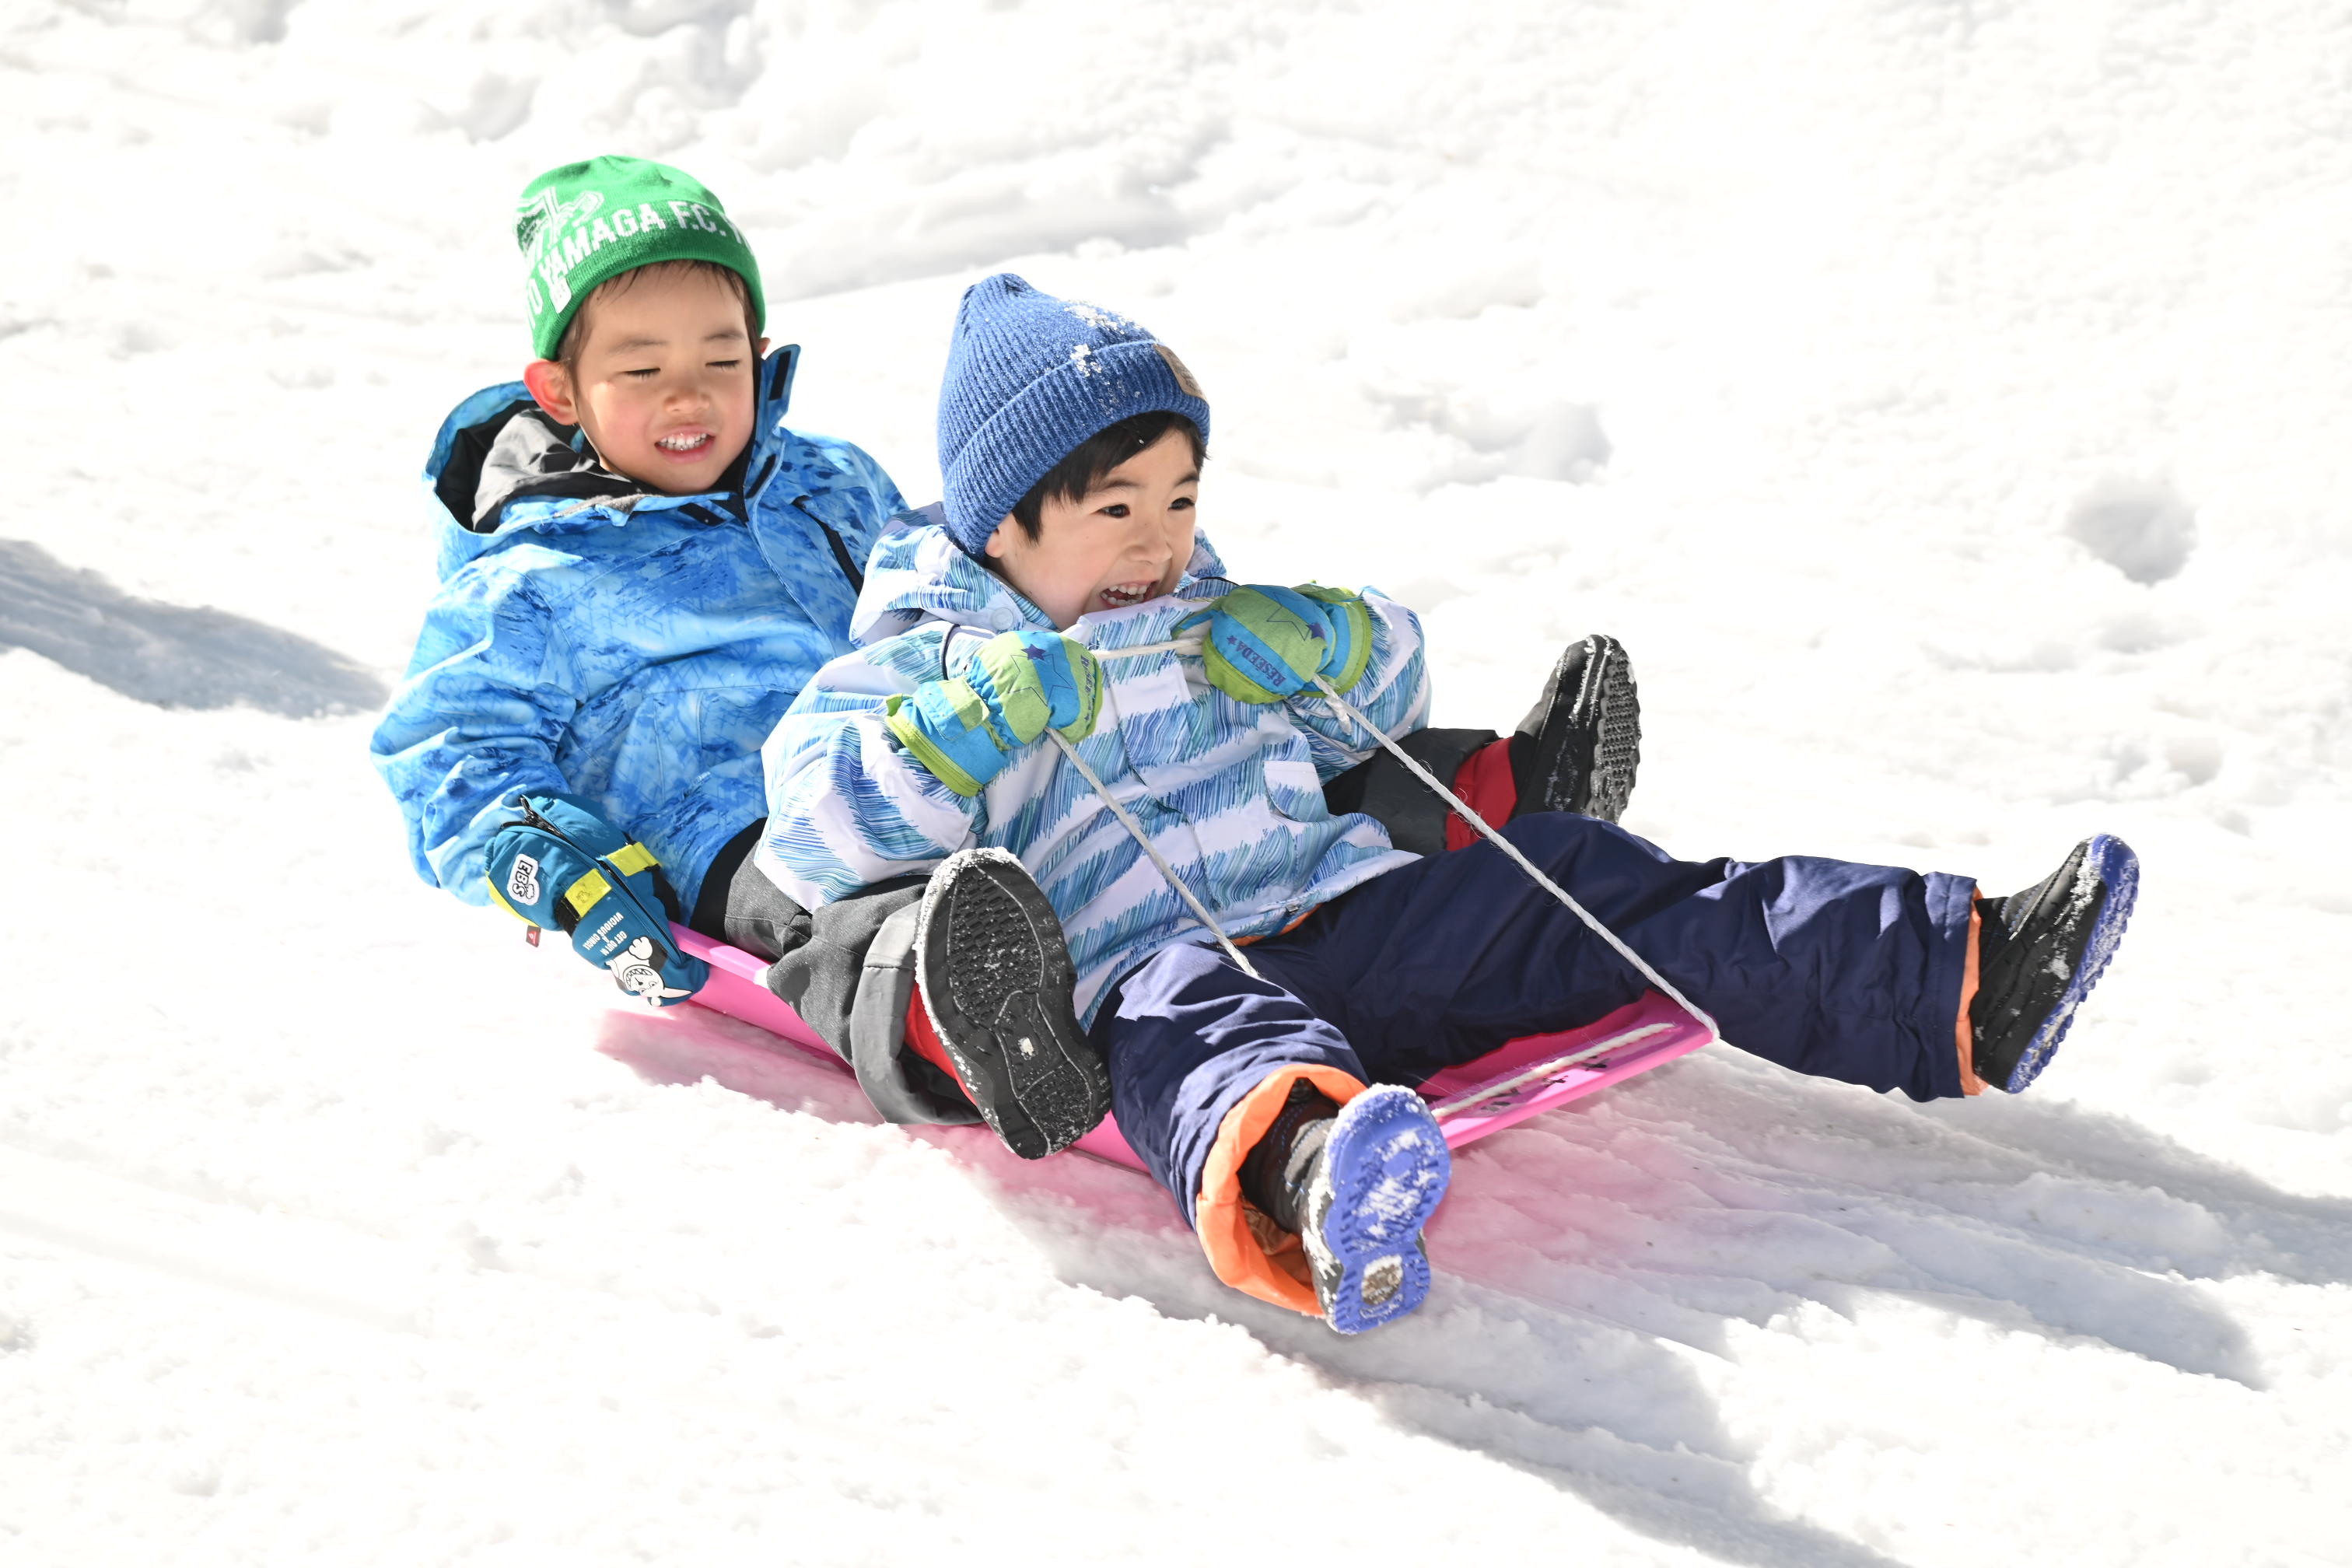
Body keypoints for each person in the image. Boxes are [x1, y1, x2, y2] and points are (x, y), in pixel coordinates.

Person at [756, 273, 2141, 1333]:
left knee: (1574, 870)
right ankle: (1323, 1184)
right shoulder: (926, 670)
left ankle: (1961, 978)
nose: (1159, 541)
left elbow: (1389, 701)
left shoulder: (1207, 614)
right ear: (1002, 523)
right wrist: (949, 737)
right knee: (1200, 1030)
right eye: (1116, 511)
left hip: (1356, 911)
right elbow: (816, 841)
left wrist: (1327, 639)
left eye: (1180, 500)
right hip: (1160, 966)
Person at [369, 157, 1639, 1161]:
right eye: (643, 370)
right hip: (737, 831)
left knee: (1200, 750)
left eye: (722, 359)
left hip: (929, 741)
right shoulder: (526, 583)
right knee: (841, 920)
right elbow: (447, 747)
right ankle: (969, 1017)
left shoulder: (826, 482)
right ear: (559, 389)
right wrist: (546, 852)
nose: (691, 397)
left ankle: (1480, 799)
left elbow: (951, 568)